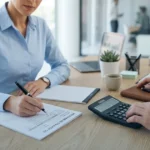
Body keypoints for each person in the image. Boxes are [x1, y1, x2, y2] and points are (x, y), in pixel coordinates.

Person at [0, 0, 70, 117]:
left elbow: (62, 65)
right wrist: (8, 102)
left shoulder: (40, 26)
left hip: (29, 110)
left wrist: (44, 81)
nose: (32, 1)